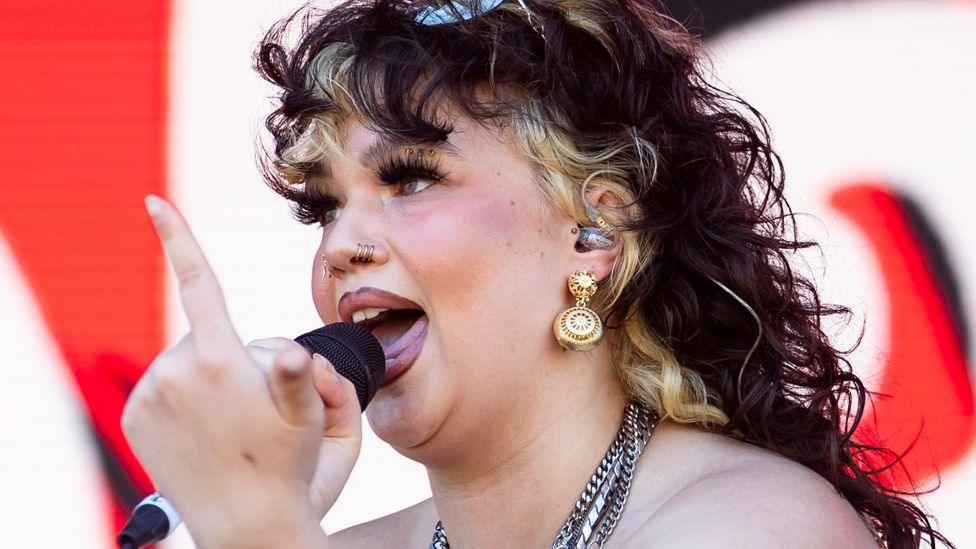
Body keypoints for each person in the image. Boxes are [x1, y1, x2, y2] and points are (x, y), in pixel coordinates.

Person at [121, 1, 953, 547]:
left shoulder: (755, 526)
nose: (341, 244)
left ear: (595, 233)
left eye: (410, 178)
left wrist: (263, 530)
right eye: (324, 206)